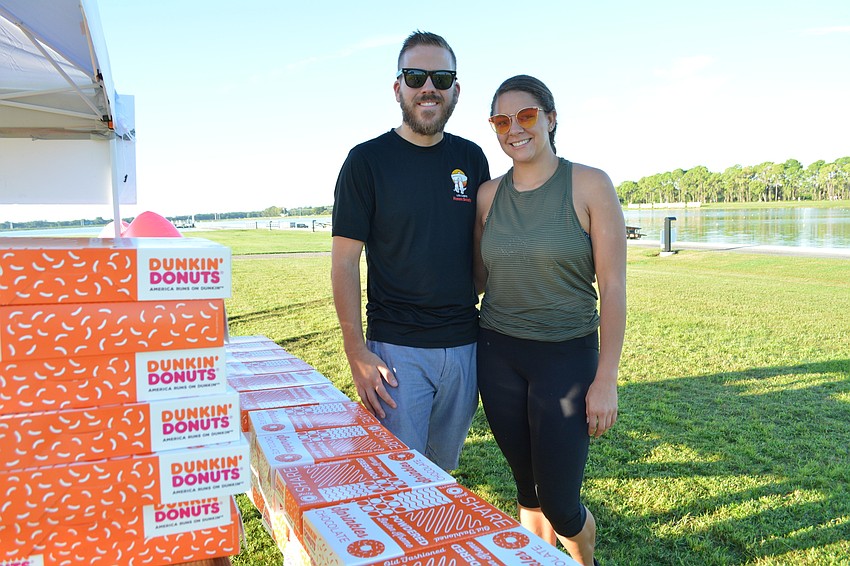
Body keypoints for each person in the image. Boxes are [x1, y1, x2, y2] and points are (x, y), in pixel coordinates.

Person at [473, 75, 626, 566]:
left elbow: (614, 288)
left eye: (526, 115)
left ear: (551, 118)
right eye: (501, 120)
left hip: (567, 356)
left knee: (561, 503)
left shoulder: (589, 184)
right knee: (527, 489)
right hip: (497, 354)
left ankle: (583, 562)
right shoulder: (487, 196)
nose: (513, 128)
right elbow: (478, 279)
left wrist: (606, 379)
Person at [330, 31, 490, 472]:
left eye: (441, 77)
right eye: (416, 75)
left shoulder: (472, 159)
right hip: (396, 351)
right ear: (398, 86)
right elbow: (344, 261)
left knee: (441, 471)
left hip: (464, 347)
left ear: (455, 90)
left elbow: (479, 249)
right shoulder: (366, 161)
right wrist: (356, 351)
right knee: (399, 479)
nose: (428, 87)